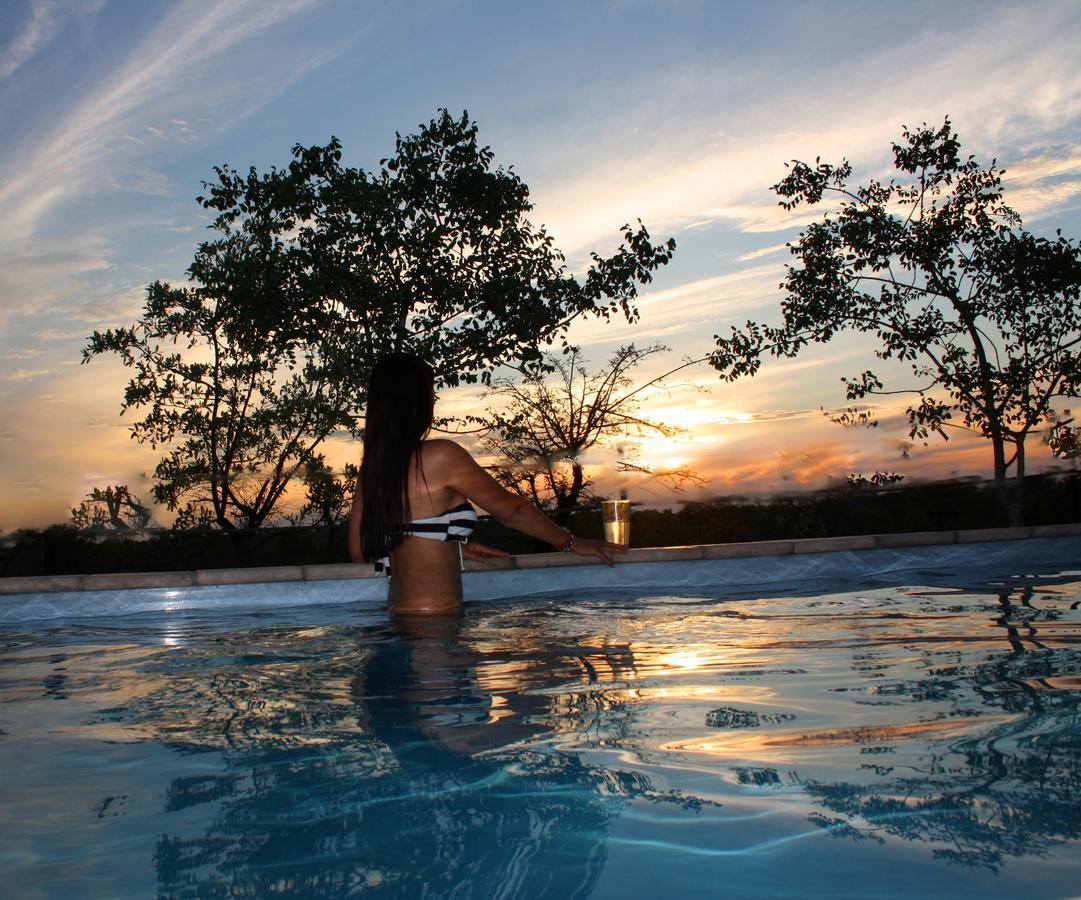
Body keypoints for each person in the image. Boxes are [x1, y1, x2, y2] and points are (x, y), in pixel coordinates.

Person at [348, 352, 626, 614]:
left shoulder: (374, 470)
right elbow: (513, 511)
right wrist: (571, 543)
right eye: (430, 392)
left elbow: (360, 550)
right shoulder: (441, 456)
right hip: (435, 626)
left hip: (398, 618)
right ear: (417, 401)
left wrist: (451, 550)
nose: (433, 400)